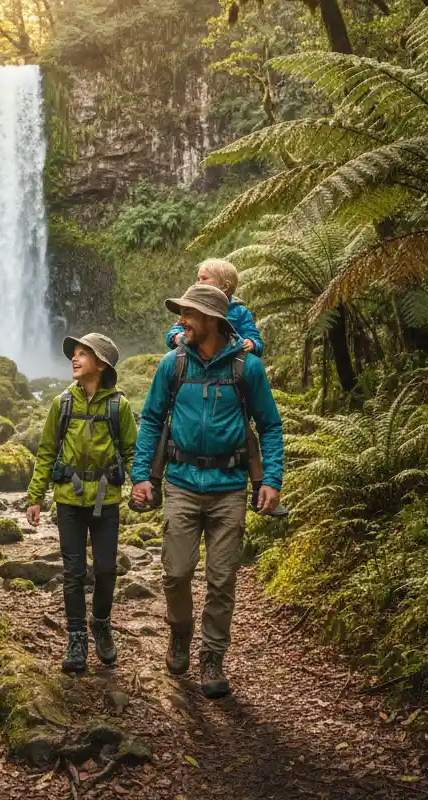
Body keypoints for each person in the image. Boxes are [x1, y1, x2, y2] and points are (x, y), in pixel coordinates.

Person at [132, 284, 283, 699]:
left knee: (221, 579)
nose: (181, 321)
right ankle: (180, 633)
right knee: (176, 573)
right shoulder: (172, 364)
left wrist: (271, 480)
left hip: (229, 487)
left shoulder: (246, 369)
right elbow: (149, 420)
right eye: (181, 313)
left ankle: (212, 657)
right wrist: (142, 476)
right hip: (181, 482)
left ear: (213, 320)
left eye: (189, 315)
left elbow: (269, 425)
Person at [26, 333, 138, 674]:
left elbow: (133, 451)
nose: (74, 359)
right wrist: (35, 496)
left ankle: (100, 622)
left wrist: (141, 485)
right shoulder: (62, 404)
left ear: (101, 364)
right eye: (73, 354)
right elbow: (46, 451)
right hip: (69, 500)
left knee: (105, 569)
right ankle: (76, 638)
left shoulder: (119, 406)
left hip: (106, 499)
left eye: (82, 354)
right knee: (73, 573)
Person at [166, 258, 263, 356]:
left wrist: (252, 344)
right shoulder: (193, 308)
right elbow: (173, 334)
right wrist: (178, 337)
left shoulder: (240, 312)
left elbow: (256, 341)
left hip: (228, 362)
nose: (198, 283)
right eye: (198, 279)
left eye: (204, 278)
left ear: (225, 286)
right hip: (195, 360)